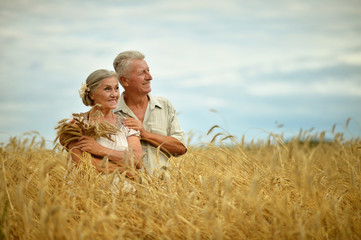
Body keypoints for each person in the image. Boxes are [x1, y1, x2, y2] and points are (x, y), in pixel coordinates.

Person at [112, 50, 187, 176]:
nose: (149, 77)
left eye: (148, 71)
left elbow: (180, 148)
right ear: (124, 81)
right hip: (124, 191)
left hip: (162, 190)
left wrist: (145, 134)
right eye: (142, 72)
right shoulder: (111, 112)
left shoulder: (164, 105)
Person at [58, 69, 143, 179]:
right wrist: (125, 170)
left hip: (124, 193)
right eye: (107, 89)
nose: (114, 94)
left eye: (116, 88)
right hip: (88, 192)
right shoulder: (78, 125)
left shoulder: (127, 124)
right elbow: (83, 164)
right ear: (92, 94)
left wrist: (99, 150)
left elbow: (137, 161)